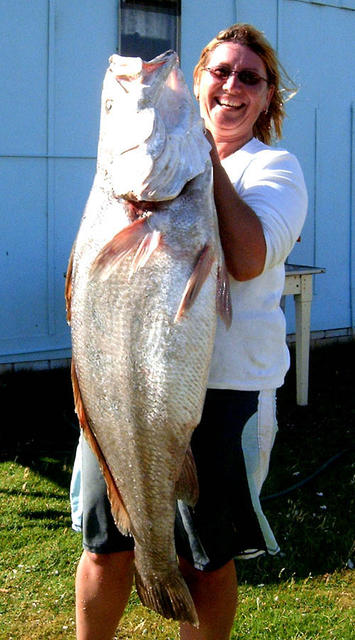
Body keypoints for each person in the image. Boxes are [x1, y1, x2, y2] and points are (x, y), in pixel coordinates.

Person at [71, 23, 308, 640]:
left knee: (206, 559)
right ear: (199, 81)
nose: (232, 85)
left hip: (227, 395)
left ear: (266, 97)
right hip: (120, 395)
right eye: (220, 72)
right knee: (104, 546)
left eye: (249, 78)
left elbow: (250, 258)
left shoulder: (275, 169)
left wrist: (203, 159)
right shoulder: (136, 178)